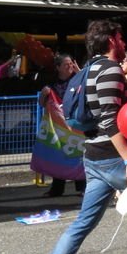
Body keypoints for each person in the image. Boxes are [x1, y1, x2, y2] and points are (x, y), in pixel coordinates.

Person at [42, 20, 127, 254]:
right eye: (120, 38)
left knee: (83, 223)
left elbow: (93, 113)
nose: (124, 43)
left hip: (94, 157)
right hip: (117, 157)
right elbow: (109, 119)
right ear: (110, 40)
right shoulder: (110, 70)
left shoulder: (86, 71)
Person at [37, 53, 86, 197]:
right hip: (59, 127)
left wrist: (80, 74)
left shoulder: (79, 80)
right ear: (58, 67)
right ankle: (57, 189)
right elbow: (42, 104)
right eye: (66, 64)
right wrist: (43, 95)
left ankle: (82, 188)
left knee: (77, 155)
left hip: (75, 125)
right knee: (58, 155)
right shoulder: (51, 84)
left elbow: (88, 91)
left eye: (71, 63)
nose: (70, 66)